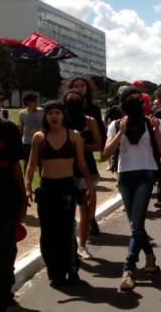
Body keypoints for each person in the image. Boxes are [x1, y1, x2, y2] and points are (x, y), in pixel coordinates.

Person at [104, 86, 161, 291]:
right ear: (121, 101)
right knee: (136, 224)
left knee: (136, 222)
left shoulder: (152, 122)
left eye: (137, 98)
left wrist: (157, 131)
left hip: (146, 173)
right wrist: (121, 131)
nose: (134, 101)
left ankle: (128, 269)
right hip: (125, 175)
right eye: (129, 98)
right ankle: (149, 255)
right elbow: (105, 153)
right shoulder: (115, 124)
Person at [24, 100, 92, 287]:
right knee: (48, 233)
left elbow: (81, 164)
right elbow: (30, 166)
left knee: (67, 231)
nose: (54, 116)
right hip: (47, 190)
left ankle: (72, 269)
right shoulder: (39, 137)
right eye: (50, 113)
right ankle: (54, 271)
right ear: (45, 116)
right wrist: (28, 187)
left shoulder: (74, 136)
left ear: (63, 115)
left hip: (67, 189)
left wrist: (90, 187)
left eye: (57, 112)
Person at [0, 82, 27, 311]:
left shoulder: (9, 129)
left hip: (5, 198)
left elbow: (15, 165)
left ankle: (4, 295)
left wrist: (23, 195)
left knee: (6, 250)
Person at [62, 90, 102, 260]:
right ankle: (68, 244)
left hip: (86, 168)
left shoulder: (89, 121)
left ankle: (83, 245)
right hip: (65, 169)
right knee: (65, 210)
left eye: (77, 102)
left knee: (84, 208)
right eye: (71, 102)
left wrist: (81, 146)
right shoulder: (60, 120)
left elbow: (99, 144)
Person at [64, 76, 106, 236]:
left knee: (90, 192)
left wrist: (87, 146)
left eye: (82, 85)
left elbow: (99, 135)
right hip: (67, 158)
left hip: (87, 155)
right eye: (76, 85)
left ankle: (91, 219)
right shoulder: (63, 110)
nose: (80, 88)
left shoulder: (93, 110)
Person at [18, 92, 44, 167]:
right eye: (34, 101)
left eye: (36, 100)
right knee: (27, 163)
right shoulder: (22, 113)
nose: (37, 102)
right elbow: (21, 128)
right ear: (28, 102)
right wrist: (19, 142)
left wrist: (40, 131)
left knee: (41, 163)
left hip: (40, 141)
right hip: (27, 142)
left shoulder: (42, 111)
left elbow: (45, 126)